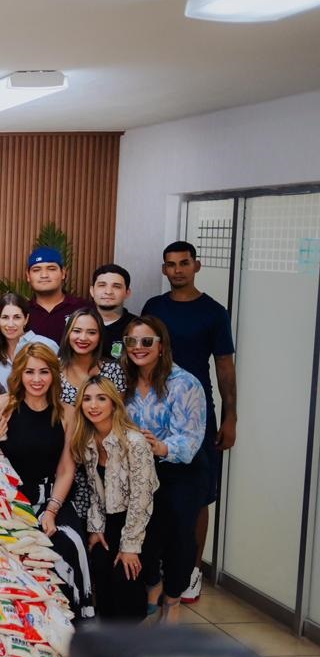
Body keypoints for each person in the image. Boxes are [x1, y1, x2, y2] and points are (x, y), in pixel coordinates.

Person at [141, 241, 236, 604]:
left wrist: (230, 416)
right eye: (171, 264)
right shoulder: (154, 307)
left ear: (197, 265)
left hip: (196, 412)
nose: (177, 270)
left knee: (199, 493)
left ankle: (192, 571)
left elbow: (225, 367)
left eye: (184, 263)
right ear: (164, 269)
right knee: (156, 489)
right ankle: (159, 568)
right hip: (153, 408)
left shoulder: (214, 312)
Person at [0, 344, 93, 618]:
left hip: (51, 496)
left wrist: (51, 511)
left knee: (69, 543)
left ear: (53, 374)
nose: (37, 379)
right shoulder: (0, 405)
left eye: (44, 372)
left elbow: (66, 469)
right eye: (29, 372)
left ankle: (74, 620)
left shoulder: (67, 412)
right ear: (19, 374)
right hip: (9, 500)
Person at [121, 316, 206, 624]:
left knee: (179, 542)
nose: (138, 347)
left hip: (178, 471)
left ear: (161, 346)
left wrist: (161, 447)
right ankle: (153, 585)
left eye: (147, 341)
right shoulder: (123, 380)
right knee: (144, 537)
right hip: (139, 472)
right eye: (132, 341)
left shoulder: (184, 383)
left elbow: (191, 439)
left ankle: (172, 600)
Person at [71, 375, 158, 621]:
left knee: (125, 577)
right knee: (100, 569)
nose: (93, 405)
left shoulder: (135, 442)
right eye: (87, 399)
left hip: (139, 523)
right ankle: (109, 636)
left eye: (101, 398)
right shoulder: (86, 440)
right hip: (107, 520)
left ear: (113, 403)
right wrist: (96, 528)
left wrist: (130, 546)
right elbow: (94, 490)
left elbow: (142, 499)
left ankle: (129, 638)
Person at [0, 292, 58, 387]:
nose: (10, 324)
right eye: (5, 317)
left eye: (17, 317)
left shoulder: (47, 345)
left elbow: (59, 385)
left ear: (26, 319)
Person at [58, 308, 127, 407]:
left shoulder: (114, 370)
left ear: (100, 336)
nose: (83, 338)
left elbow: (118, 412)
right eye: (77, 331)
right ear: (68, 333)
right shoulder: (54, 368)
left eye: (91, 332)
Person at [26, 247, 91, 341]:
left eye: (51, 269)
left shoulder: (83, 308)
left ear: (63, 273)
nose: (44, 275)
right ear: (28, 276)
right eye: (36, 270)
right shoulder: (22, 312)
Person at [91, 264, 134, 360]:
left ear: (127, 293)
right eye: (102, 285)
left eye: (116, 286)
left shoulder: (136, 327)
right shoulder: (78, 323)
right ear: (92, 291)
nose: (108, 291)